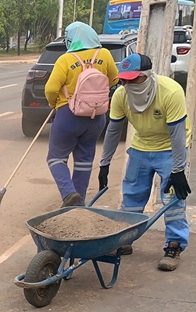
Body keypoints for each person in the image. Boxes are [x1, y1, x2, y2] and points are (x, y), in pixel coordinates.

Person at [98, 53, 192, 271]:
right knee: (131, 196)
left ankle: (174, 245)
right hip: (141, 146)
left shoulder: (170, 92)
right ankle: (125, 238)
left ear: (148, 75)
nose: (128, 84)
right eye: (124, 80)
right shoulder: (121, 96)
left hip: (170, 147)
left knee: (172, 199)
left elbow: (177, 134)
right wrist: (105, 163)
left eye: (134, 79)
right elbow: (113, 130)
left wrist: (178, 169)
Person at [44, 22, 119, 207]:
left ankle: (68, 193)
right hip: (97, 117)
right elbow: (115, 79)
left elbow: (51, 88)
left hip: (69, 115)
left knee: (56, 158)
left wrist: (54, 104)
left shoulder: (66, 60)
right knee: (84, 160)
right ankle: (79, 204)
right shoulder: (104, 54)